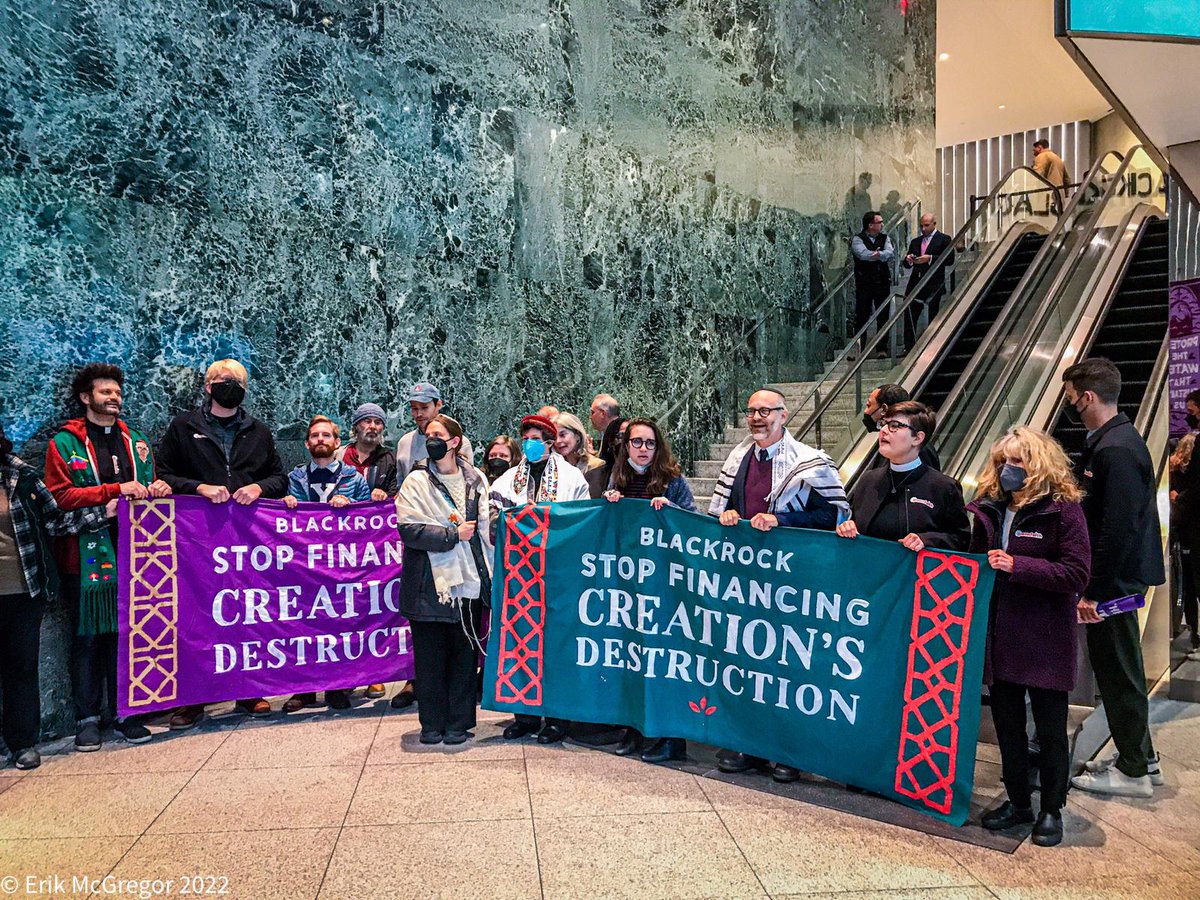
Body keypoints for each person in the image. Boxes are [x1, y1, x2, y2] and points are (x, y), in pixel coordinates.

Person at [709, 389, 849, 781]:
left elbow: (833, 516)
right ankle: (749, 745)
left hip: (792, 585)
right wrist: (730, 515)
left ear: (784, 416)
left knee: (788, 668)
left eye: (765, 410)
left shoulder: (811, 462)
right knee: (746, 663)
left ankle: (789, 751)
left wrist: (783, 521)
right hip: (747, 582)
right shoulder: (738, 459)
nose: (757, 417)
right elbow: (721, 509)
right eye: (751, 410)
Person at [967, 426, 1090, 847]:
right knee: (1007, 727)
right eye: (1003, 462)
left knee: (1051, 730)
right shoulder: (989, 510)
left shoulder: (1063, 510)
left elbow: (1076, 573)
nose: (1008, 470)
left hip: (1044, 638)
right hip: (1000, 636)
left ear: (1038, 464)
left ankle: (1051, 808)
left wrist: (1017, 565)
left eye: (1017, 462)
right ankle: (1018, 801)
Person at [43, 363, 172, 751]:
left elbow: (146, 486)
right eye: (105, 393)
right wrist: (114, 493)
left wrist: (157, 487)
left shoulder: (138, 441)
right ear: (86, 398)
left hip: (137, 556)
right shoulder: (64, 444)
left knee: (127, 636)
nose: (114, 398)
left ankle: (125, 712)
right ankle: (86, 718)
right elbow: (59, 496)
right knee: (87, 640)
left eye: (117, 393)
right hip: (84, 561)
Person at [156, 358, 287, 729]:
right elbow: (163, 474)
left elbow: (279, 478)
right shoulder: (183, 427)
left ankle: (249, 691)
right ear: (208, 386)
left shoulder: (259, 431)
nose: (230, 385)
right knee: (195, 615)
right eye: (223, 380)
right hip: (195, 540)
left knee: (246, 611)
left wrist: (258, 487)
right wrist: (198, 488)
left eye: (237, 381)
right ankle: (193, 699)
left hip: (246, 542)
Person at [1062, 359, 1165, 798]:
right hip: (1117, 578)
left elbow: (1116, 528)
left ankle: (1133, 770)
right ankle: (1142, 756)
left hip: (1115, 582)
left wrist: (1094, 590)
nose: (1068, 404)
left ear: (1086, 396)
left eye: (1069, 397)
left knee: (1118, 670)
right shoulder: (1112, 440)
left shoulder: (1116, 449)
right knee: (1121, 667)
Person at [2, 422, 112, 769]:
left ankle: (22, 743)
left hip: (21, 588)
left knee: (21, 667)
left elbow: (57, 520)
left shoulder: (21, 478)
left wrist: (101, 513)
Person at [491, 414, 590, 743]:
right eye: (526, 439)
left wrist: (545, 518)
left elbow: (582, 523)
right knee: (520, 640)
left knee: (556, 645)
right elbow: (493, 525)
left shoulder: (572, 478)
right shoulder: (507, 480)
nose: (531, 444)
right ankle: (525, 715)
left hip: (557, 575)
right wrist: (517, 517)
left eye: (537, 438)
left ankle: (556, 718)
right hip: (519, 578)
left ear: (549, 442)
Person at [394, 415, 493, 745]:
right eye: (428, 435)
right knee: (430, 657)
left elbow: (486, 528)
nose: (431, 439)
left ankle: (459, 723)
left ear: (454, 441)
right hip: (429, 583)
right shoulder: (416, 482)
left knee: (464, 656)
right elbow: (409, 529)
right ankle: (432, 724)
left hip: (468, 582)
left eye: (438, 435)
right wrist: (452, 534)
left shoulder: (476, 479)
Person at [602, 417, 696, 764]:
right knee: (632, 659)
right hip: (629, 582)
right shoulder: (618, 477)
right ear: (625, 445)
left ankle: (669, 738)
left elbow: (694, 523)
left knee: (663, 661)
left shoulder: (672, 479)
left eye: (650, 443)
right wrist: (608, 504)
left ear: (659, 447)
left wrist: (673, 512)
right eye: (637, 442)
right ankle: (635, 729)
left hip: (666, 586)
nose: (643, 449)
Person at [281, 416, 371, 712]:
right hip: (304, 565)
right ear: (307, 443)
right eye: (315, 436)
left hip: (342, 565)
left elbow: (370, 519)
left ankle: (339, 686)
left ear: (337, 442)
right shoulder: (295, 478)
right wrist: (289, 505)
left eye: (326, 435)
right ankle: (304, 690)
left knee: (340, 624)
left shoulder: (354, 478)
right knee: (303, 626)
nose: (320, 439)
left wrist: (353, 505)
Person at [835, 402, 969, 553]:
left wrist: (927, 540)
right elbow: (855, 521)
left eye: (894, 425)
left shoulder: (944, 487)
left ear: (917, 438)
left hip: (918, 574)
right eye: (884, 424)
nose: (884, 431)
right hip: (869, 571)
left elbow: (962, 539)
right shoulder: (869, 480)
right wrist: (848, 526)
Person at [396, 382, 475, 485]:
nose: (419, 414)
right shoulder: (405, 442)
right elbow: (400, 483)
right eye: (414, 408)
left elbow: (469, 482)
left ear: (438, 405)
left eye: (424, 408)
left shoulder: (458, 442)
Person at [901, 214, 955, 349]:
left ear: (934, 224)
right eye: (921, 225)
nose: (923, 229)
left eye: (926, 225)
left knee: (933, 314)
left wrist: (930, 258)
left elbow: (949, 259)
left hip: (934, 283)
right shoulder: (915, 242)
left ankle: (932, 345)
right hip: (916, 282)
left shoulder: (944, 239)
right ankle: (909, 346)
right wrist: (909, 260)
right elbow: (907, 264)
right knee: (910, 314)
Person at [861, 384, 941, 470]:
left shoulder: (920, 451)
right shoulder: (888, 444)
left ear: (884, 409)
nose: (884, 430)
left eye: (869, 405)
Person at [1170, 430, 1200, 659]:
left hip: (1186, 537)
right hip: (1191, 536)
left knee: (1189, 590)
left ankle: (1194, 634)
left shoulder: (1177, 478)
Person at [851, 210, 894, 352]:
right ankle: (859, 348)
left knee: (883, 315)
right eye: (879, 222)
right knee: (862, 315)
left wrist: (878, 254)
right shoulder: (858, 239)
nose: (882, 225)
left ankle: (882, 348)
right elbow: (862, 254)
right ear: (870, 225)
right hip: (865, 283)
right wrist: (875, 255)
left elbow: (889, 253)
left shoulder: (885, 238)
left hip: (882, 282)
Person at [340, 402, 397, 501]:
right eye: (367, 421)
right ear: (356, 426)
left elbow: (396, 494)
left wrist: (385, 495)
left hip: (375, 515)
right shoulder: (338, 456)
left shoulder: (392, 459)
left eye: (378, 422)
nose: (373, 426)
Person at [554, 412, 607, 498]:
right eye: (554, 437)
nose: (558, 441)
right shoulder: (554, 468)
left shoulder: (596, 466)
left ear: (577, 435)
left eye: (562, 435)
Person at [1032, 138, 1069, 210]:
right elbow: (1067, 179)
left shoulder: (1042, 156)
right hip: (1059, 195)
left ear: (1040, 147)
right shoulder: (1058, 159)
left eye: (1035, 148)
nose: (1033, 150)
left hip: (1048, 196)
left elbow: (1037, 174)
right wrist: (1066, 194)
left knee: (1044, 220)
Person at [589, 393, 621, 461]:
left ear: (603, 414)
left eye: (592, 412)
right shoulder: (606, 432)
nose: (590, 417)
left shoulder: (619, 437)